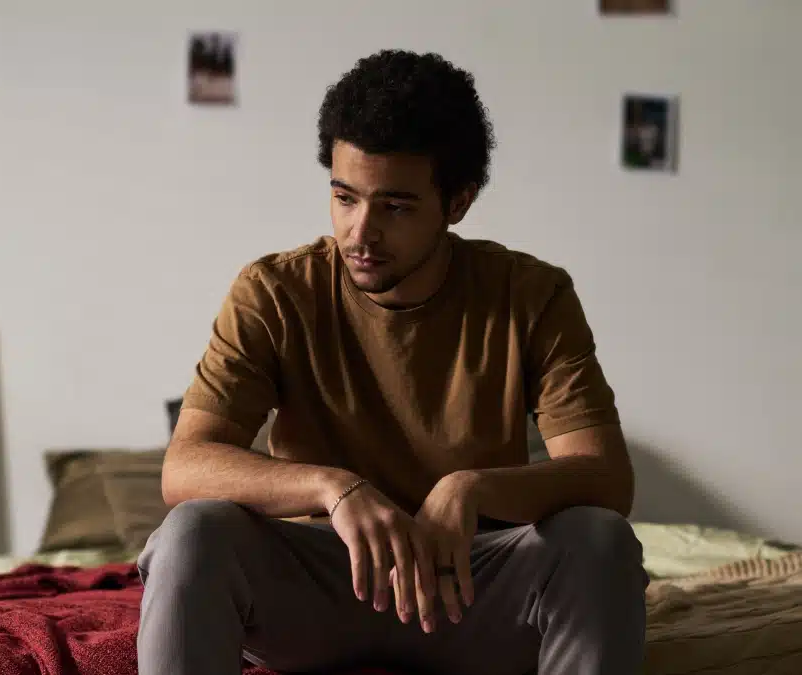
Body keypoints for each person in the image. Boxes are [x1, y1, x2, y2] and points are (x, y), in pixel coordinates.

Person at [138, 49, 647, 675]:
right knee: (192, 534)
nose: (361, 232)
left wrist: (473, 488)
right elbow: (184, 466)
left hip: (471, 589)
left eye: (395, 207)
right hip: (320, 587)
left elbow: (606, 478)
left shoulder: (531, 295)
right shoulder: (274, 291)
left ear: (457, 201)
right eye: (345, 197)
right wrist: (332, 487)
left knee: (599, 542)